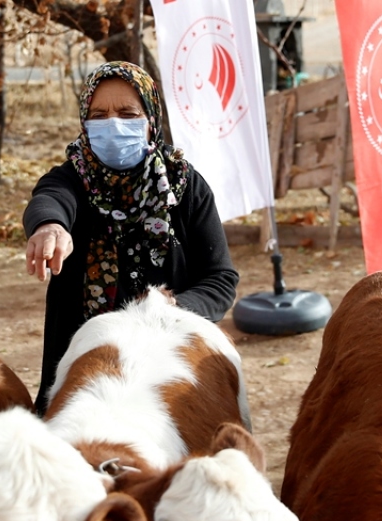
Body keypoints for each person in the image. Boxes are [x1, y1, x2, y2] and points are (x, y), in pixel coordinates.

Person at [23, 61, 249, 425]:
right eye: (99, 115)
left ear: (150, 121)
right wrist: (50, 226)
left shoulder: (185, 188)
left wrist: (164, 311)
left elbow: (220, 281)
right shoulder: (72, 179)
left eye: (127, 113)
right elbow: (51, 199)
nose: (112, 124)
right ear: (84, 122)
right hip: (84, 371)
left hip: (168, 364)